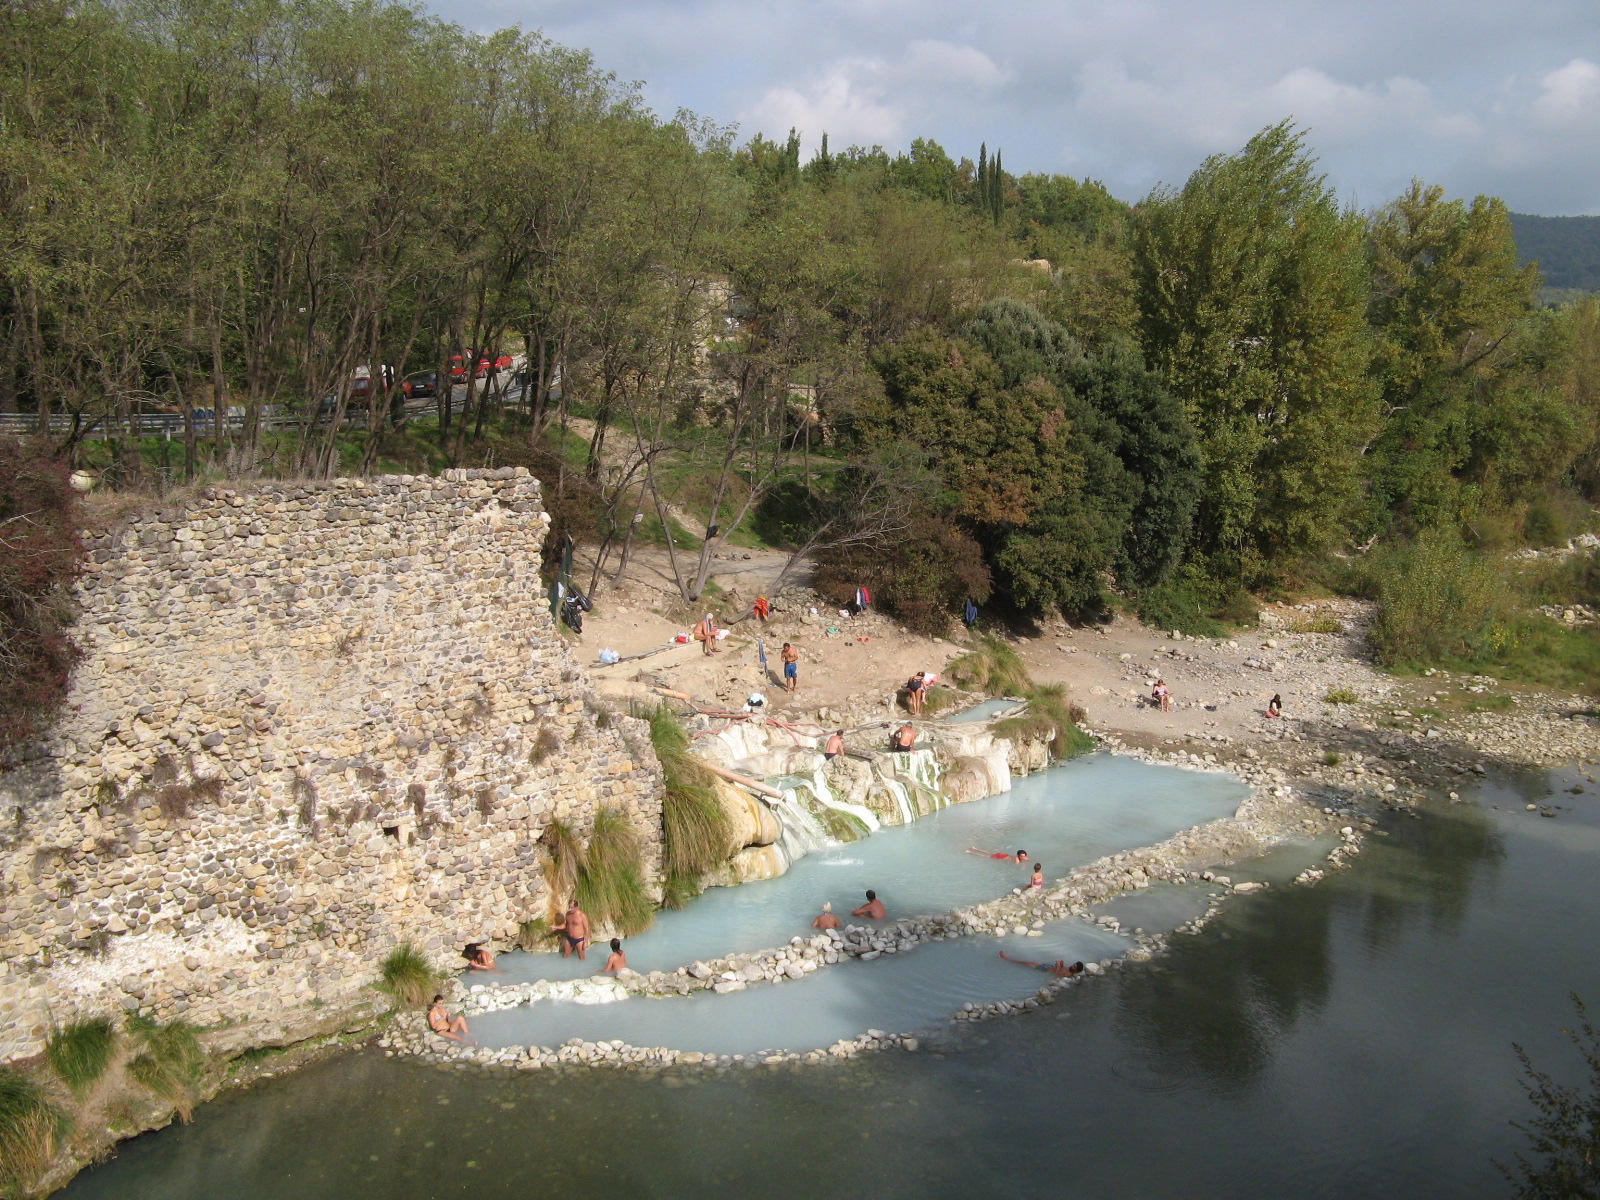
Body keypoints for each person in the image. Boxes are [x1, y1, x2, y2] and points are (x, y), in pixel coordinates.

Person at [998, 953, 1084, 978]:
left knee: (1025, 963)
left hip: (1044, 969)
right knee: (1028, 962)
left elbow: (1056, 975)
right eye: (1074, 964)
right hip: (1047, 966)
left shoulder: (1069, 974)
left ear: (1076, 971)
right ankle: (1007, 959)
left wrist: (1058, 966)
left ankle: (1006, 959)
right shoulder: (1068, 969)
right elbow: (1059, 969)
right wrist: (1061, 964)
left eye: (1074, 967)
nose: (1072, 966)